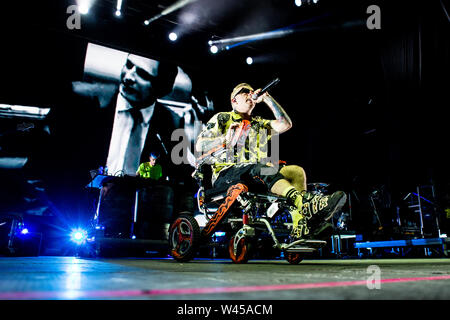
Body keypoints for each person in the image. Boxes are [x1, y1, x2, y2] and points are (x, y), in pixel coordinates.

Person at [195, 83, 347, 239]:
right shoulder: (222, 118)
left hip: (255, 173)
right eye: (244, 92)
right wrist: (224, 139)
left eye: (251, 91)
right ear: (234, 100)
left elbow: (285, 124)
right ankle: (305, 204)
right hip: (227, 175)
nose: (250, 93)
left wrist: (267, 99)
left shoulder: (259, 123)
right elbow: (200, 145)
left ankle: (300, 225)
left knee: (295, 172)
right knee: (262, 167)